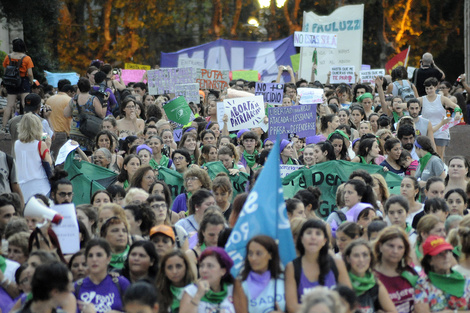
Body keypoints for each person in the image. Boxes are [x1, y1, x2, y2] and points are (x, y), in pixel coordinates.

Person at [285, 219, 351, 313]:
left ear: (324, 241)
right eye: (309, 233)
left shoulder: (337, 263)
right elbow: (292, 307)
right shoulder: (292, 267)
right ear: (301, 238)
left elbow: (348, 300)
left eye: (318, 233)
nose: (313, 237)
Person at [414, 235, 470, 312]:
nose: (445, 256)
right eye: (439, 254)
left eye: (447, 252)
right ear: (430, 261)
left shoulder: (465, 280)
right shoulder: (422, 285)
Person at [75, 239, 130, 313]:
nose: (94, 259)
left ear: (108, 259)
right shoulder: (77, 286)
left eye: (99, 255)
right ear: (86, 260)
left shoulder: (121, 283)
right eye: (90, 256)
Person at [343, 239, 397, 313]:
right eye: (356, 255)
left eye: (365, 255)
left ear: (371, 258)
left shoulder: (375, 283)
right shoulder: (341, 281)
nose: (361, 260)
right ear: (348, 259)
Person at [235, 235, 286, 313]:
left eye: (259, 253)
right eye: (250, 254)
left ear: (270, 255)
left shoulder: (283, 278)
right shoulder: (241, 283)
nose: (253, 258)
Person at [180, 247, 239, 313]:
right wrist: (198, 295)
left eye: (210, 266)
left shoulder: (232, 290)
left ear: (223, 271)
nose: (204, 270)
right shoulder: (191, 291)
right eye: (202, 266)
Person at [374, 226, 418, 313]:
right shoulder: (371, 276)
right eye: (391, 246)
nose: (395, 251)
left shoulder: (411, 273)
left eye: (400, 247)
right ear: (380, 246)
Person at [418, 77, 462, 159]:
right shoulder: (421, 99)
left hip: (441, 130)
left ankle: (441, 171)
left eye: (431, 88)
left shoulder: (442, 99)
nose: (429, 90)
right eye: (427, 88)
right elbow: (409, 104)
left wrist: (457, 113)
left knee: (439, 155)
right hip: (427, 130)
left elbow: (455, 106)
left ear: (435, 87)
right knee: (427, 155)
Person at [14, 113, 52, 200]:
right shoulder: (40, 144)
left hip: (22, 185)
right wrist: (48, 146)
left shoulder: (17, 144)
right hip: (40, 185)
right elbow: (49, 162)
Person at [64, 77, 106, 152]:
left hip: (74, 133)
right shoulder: (93, 99)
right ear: (89, 87)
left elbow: (66, 114)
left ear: (79, 88)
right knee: (86, 156)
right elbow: (102, 115)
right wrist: (105, 102)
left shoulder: (74, 100)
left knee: (75, 155)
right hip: (88, 133)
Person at [2, 38, 34, 130]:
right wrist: (31, 81)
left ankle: (3, 127)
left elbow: (5, 71)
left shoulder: (8, 57)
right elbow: (30, 73)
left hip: (11, 82)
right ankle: (27, 127)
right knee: (25, 104)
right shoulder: (27, 58)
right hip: (23, 81)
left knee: (9, 105)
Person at [47, 79, 72, 158]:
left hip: (50, 133)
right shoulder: (69, 100)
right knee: (60, 161)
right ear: (68, 90)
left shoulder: (49, 99)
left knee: (50, 158)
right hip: (62, 133)